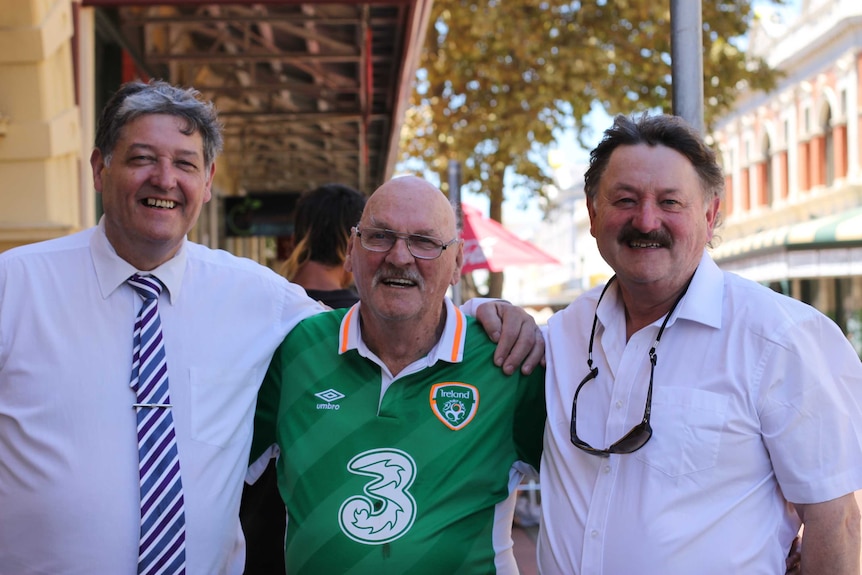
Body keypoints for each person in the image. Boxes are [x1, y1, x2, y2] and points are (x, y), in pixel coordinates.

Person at [0, 80, 543, 575]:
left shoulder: (258, 297)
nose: (164, 179)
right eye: (141, 159)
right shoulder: (14, 287)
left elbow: (385, 317)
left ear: (208, 181)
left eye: (186, 164)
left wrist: (481, 315)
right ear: (99, 168)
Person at [537, 113, 862, 574]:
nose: (646, 221)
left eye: (670, 202)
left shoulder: (781, 338)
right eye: (625, 199)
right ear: (593, 214)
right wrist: (493, 313)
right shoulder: (563, 332)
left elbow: (836, 523)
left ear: (710, 217)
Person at [249, 175, 547, 574]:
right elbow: (209, 468)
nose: (399, 256)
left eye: (424, 242)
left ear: (456, 263)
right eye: (380, 236)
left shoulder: (509, 359)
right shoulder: (295, 349)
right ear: (351, 250)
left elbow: (594, 491)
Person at [240, 182, 366, 574]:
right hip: (336, 530)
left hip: (248, 528)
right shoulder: (366, 326)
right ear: (355, 242)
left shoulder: (252, 310)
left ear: (298, 235)